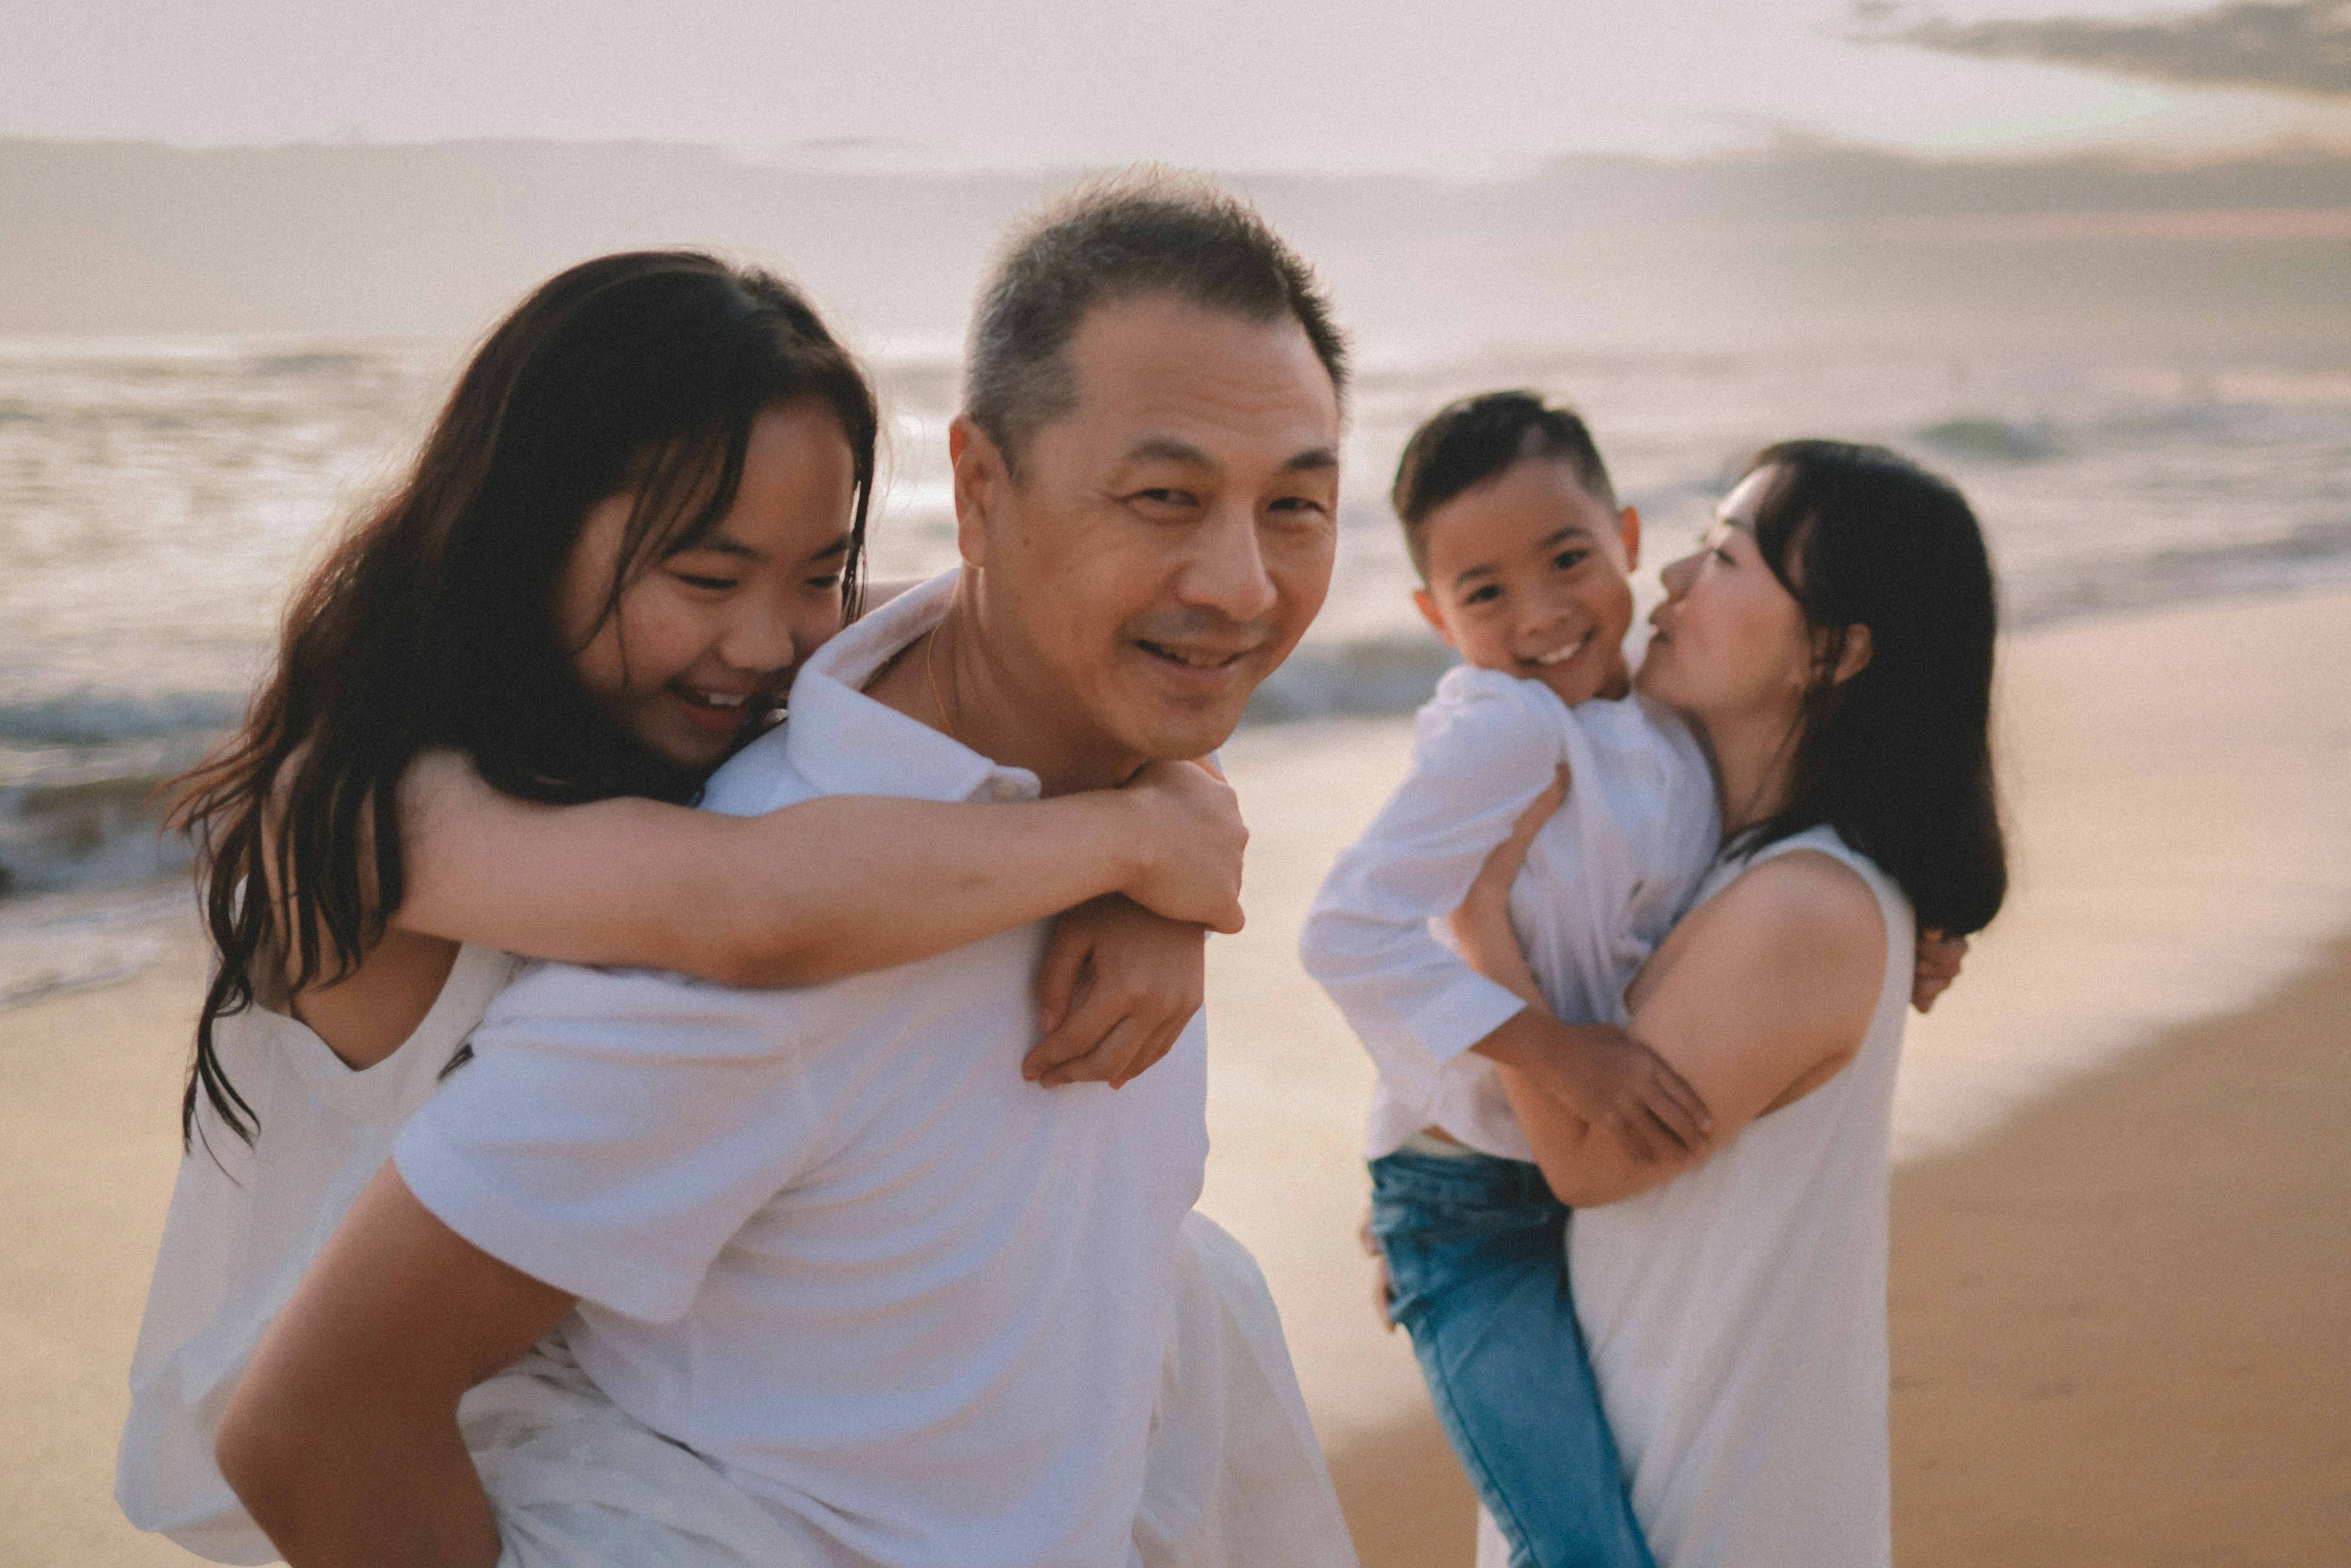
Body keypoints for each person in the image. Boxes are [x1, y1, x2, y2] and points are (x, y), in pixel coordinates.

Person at [213, 175, 1360, 1568]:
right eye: (1164, 494)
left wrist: (1159, 806)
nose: (766, 643)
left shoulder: (787, 713)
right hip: (396, 1387)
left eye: (1295, 504)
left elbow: (957, 634)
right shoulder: (376, 813)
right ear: (985, 490)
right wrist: (1133, 842)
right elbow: (751, 909)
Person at [1450, 440, 2005, 1568]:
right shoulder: (1734, 875)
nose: (1673, 584)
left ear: (1835, 652)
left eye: (1727, 560)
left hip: (1697, 1510)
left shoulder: (1799, 907)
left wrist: (1473, 928)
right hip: (1654, 1480)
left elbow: (1588, 1162)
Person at [1300, 392, 1718, 1568]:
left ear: (1628, 542)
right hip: (1469, 1214)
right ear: (1437, 616)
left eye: (1569, 560)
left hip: (1606, 1181)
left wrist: (1918, 920)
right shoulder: (1502, 728)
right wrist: (1552, 1049)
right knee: (1584, 1549)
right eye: (1485, 593)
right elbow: (1346, 930)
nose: (1540, 616)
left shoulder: (1673, 721)